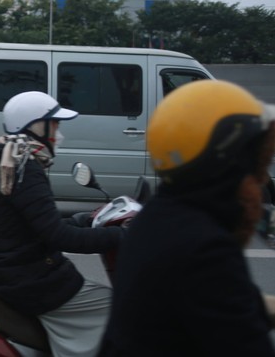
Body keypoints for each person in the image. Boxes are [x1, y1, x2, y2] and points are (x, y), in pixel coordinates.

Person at [99, 79, 275, 356]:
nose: (261, 180)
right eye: (256, 166)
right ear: (227, 165)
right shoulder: (205, 249)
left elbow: (233, 301)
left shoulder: (158, 218)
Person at [0, 91, 125, 357]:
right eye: (55, 125)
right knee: (113, 307)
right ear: (36, 127)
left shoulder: (12, 159)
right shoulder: (24, 168)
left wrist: (82, 220)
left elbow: (36, 222)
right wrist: (121, 236)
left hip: (13, 272)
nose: (59, 134)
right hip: (30, 279)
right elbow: (59, 237)